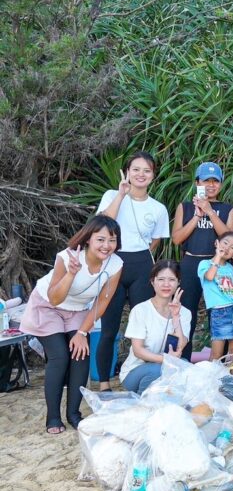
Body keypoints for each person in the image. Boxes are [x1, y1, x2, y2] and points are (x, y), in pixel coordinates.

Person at [19, 216, 123, 433]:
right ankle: (53, 418)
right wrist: (71, 274)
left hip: (78, 310)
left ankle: (74, 414)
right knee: (59, 356)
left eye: (112, 240)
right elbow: (55, 298)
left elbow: (102, 301)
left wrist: (82, 332)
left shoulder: (115, 264)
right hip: (48, 305)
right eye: (100, 239)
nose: (106, 245)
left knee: (80, 354)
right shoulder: (66, 257)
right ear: (88, 239)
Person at [96, 151, 169, 390]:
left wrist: (139, 254)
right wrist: (121, 194)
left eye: (146, 171)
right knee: (109, 329)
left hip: (141, 266)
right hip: (113, 264)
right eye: (136, 169)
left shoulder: (158, 208)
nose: (140, 174)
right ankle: (105, 383)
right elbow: (103, 224)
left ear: (153, 176)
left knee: (144, 328)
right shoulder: (111, 195)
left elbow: (155, 240)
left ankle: (141, 377)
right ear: (127, 171)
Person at [170, 161, 233, 360]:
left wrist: (209, 212)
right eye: (205, 181)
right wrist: (197, 216)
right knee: (185, 314)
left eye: (215, 181)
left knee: (220, 314)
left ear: (221, 184)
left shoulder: (227, 209)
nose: (210, 185)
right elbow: (177, 238)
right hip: (191, 263)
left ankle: (220, 363)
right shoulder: (185, 207)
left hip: (218, 266)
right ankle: (180, 360)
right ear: (197, 182)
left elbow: (230, 239)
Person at [118, 261, 191, 394]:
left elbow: (181, 345)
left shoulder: (184, 313)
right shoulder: (141, 310)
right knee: (158, 370)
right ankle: (143, 406)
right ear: (153, 282)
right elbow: (138, 351)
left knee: (188, 368)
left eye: (171, 280)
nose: (166, 284)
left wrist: (175, 317)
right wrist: (166, 360)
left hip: (166, 367)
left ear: (178, 282)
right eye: (161, 279)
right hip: (136, 372)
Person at [197, 232, 233, 360]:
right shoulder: (204, 264)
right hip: (220, 311)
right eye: (225, 243)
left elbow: (230, 290)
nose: (227, 247)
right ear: (217, 243)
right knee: (216, 354)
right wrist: (217, 259)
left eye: (232, 248)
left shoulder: (230, 267)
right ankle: (211, 379)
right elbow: (209, 277)